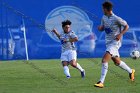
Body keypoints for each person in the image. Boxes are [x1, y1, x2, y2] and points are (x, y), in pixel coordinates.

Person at [94, 1, 135, 88]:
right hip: (108, 43)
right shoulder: (104, 17)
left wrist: (120, 34)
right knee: (117, 62)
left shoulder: (116, 18)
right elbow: (102, 28)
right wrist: (100, 28)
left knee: (104, 60)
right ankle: (131, 71)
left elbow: (127, 26)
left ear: (106, 9)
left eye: (103, 8)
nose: (102, 10)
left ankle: (101, 82)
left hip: (115, 43)